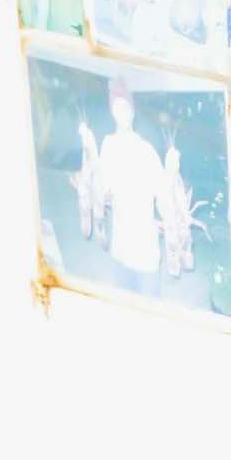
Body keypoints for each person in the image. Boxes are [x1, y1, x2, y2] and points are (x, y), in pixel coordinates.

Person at [94, 78, 167, 299]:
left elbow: (163, 195)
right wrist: (91, 191)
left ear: (132, 112)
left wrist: (169, 221)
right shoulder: (107, 146)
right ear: (111, 112)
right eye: (116, 107)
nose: (121, 113)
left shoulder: (146, 150)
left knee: (150, 310)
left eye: (125, 107)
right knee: (124, 307)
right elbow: (103, 189)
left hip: (146, 252)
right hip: (120, 251)